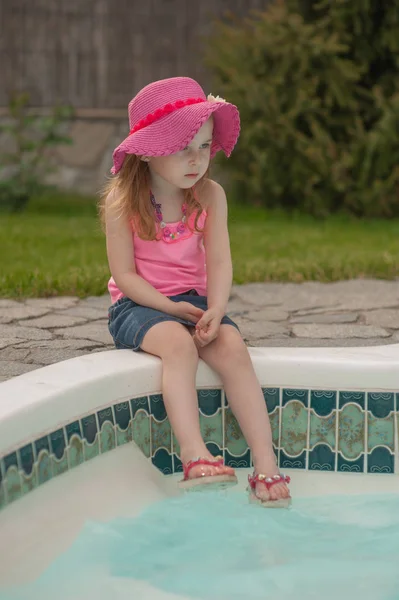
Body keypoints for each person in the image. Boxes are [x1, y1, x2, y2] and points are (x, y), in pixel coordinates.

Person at [100, 76, 291, 508]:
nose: (196, 159)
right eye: (182, 147)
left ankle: (265, 464)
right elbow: (124, 275)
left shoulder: (210, 196)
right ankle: (194, 455)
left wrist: (217, 309)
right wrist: (169, 309)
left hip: (197, 301)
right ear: (148, 152)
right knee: (178, 348)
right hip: (139, 303)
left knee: (233, 347)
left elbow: (220, 262)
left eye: (204, 146)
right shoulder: (122, 201)